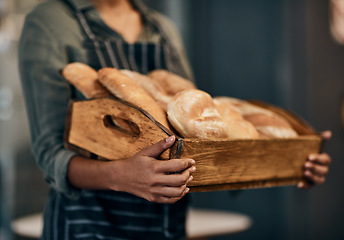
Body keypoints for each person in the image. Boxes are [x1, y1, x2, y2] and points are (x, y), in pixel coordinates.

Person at [18, 0, 331, 239]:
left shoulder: (161, 27)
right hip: (86, 223)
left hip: (168, 225)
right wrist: (122, 176)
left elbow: (194, 143)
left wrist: (283, 163)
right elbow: (49, 153)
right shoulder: (51, 22)